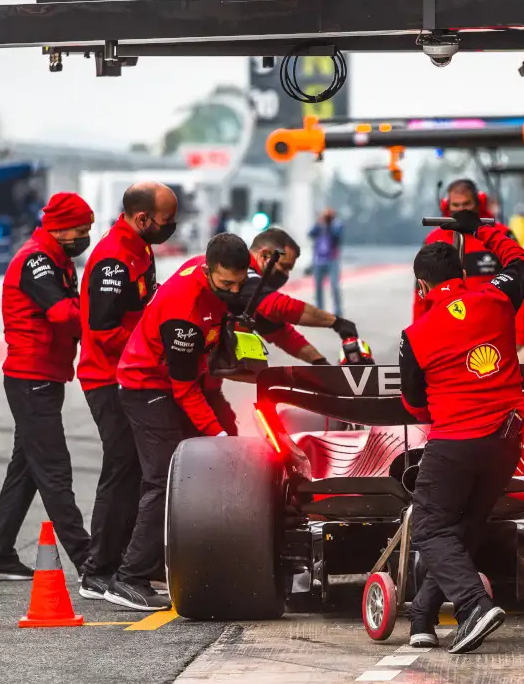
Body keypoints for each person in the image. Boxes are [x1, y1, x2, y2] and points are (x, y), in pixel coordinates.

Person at [399, 213, 524, 654]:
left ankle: (473, 605)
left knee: (429, 528)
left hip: (455, 442)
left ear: (421, 287)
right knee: (466, 527)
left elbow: (413, 404)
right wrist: (481, 227)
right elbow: (522, 260)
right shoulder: (496, 296)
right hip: (506, 438)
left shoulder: (415, 336)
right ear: (463, 275)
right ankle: (423, 617)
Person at [107, 234, 250, 611]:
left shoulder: (212, 275)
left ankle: (157, 564)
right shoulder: (184, 312)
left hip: (173, 383)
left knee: (204, 461)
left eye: (240, 283)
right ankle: (128, 578)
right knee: (167, 479)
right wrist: (219, 436)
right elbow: (185, 389)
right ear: (207, 271)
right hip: (146, 387)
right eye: (226, 285)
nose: (234, 291)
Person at [0, 193, 94, 581]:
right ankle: (90, 561)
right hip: (32, 379)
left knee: (26, 468)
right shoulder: (37, 260)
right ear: (59, 226)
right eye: (81, 229)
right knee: (54, 469)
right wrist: (102, 327)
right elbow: (63, 313)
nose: (85, 236)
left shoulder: (58, 259)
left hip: (45, 374)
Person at [76, 182, 178, 599]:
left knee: (137, 470)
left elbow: (146, 304)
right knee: (121, 470)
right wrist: (152, 348)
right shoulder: (114, 260)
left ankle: (129, 563)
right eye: (166, 220)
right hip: (107, 377)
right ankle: (98, 570)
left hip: (131, 374)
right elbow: (103, 330)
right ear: (142, 218)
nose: (170, 227)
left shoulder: (141, 247)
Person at [202, 227, 360, 433]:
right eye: (284, 267)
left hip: (206, 383)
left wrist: (319, 363)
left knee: (228, 434)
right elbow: (280, 307)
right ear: (264, 255)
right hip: (179, 380)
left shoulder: (246, 290)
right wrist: (335, 322)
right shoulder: (242, 277)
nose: (285, 275)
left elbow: (280, 332)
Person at [413, 179, 524, 350]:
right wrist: (419, 336)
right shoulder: (433, 240)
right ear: (446, 205)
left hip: (492, 332)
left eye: (466, 203)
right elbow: (420, 293)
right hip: (445, 334)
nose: (461, 209)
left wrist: (521, 334)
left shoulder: (500, 235)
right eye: (456, 204)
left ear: (479, 202)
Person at [309, 208, 343, 316]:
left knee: (334, 285)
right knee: (318, 286)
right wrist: (319, 223)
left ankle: (338, 310)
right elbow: (310, 234)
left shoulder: (337, 225)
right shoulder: (319, 226)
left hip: (332, 259)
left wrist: (329, 225)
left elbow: (337, 237)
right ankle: (320, 309)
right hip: (319, 259)